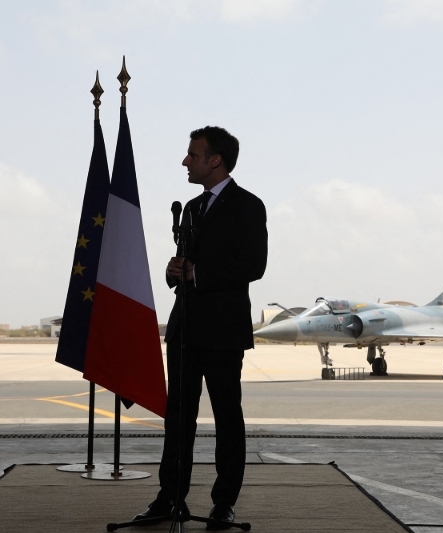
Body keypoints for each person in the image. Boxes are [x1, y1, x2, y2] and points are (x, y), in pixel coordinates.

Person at [133, 126, 267, 529]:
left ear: (216, 160)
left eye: (193, 155)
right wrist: (175, 271)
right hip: (185, 328)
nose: (185, 161)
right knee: (178, 420)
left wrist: (198, 273)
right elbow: (184, 267)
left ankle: (223, 503)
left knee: (228, 419)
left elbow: (253, 266)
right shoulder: (190, 209)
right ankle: (170, 498)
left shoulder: (248, 206)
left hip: (224, 331)